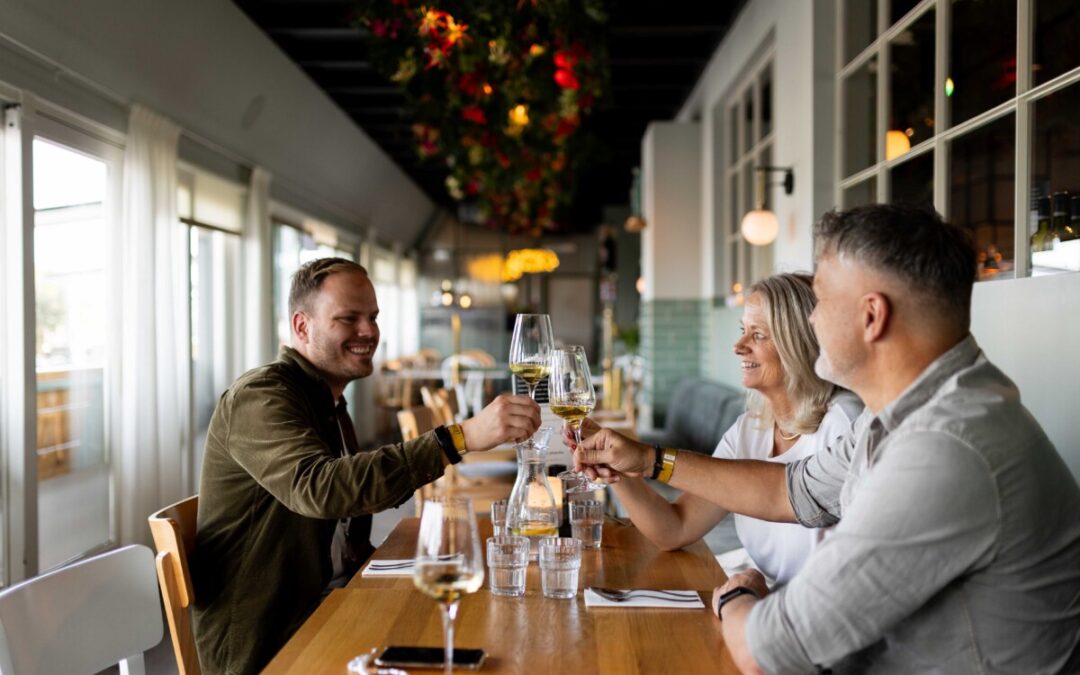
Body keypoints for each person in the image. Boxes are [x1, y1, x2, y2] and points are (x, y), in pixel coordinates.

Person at [576, 204, 1080, 674]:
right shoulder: (906, 416)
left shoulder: (945, 448)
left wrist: (735, 594)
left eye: (819, 299)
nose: (811, 320)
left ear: (871, 316)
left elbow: (767, 649)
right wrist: (647, 460)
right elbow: (788, 490)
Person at [191, 257, 541, 675]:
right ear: (302, 327)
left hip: (333, 610)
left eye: (372, 317)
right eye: (348, 318)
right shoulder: (262, 396)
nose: (369, 332)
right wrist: (458, 438)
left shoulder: (329, 403)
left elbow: (349, 516)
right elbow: (319, 489)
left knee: (497, 633)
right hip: (273, 647)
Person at [571, 273, 860, 585]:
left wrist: (646, 459)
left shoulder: (845, 424)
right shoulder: (751, 428)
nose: (738, 346)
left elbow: (784, 496)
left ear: (798, 342)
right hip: (767, 605)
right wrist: (613, 467)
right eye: (742, 331)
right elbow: (674, 528)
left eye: (759, 335)